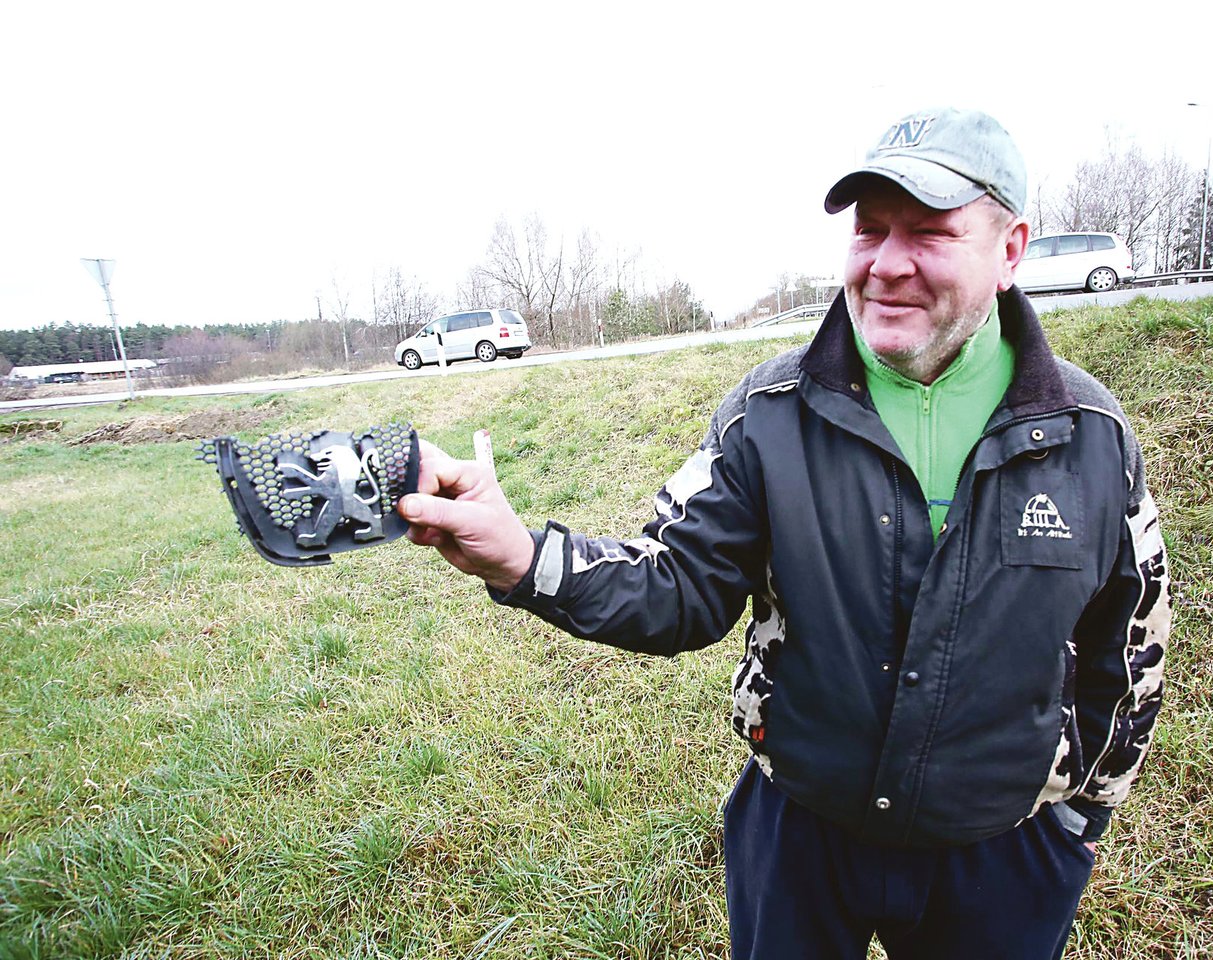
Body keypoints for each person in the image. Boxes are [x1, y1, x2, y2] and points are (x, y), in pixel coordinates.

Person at [398, 107, 1172, 960]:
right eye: (870, 229)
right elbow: (678, 584)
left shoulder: (1090, 436)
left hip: (1003, 857)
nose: (887, 263)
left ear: (1011, 250)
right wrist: (522, 556)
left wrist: (1076, 822)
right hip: (798, 837)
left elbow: (1129, 646)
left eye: (929, 233)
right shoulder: (770, 414)